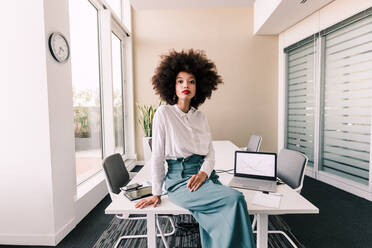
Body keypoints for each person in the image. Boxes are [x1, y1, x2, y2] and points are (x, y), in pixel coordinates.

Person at [135, 49, 255, 248]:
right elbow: (157, 157)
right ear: (171, 86)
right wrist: (156, 192)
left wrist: (203, 173)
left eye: (191, 81)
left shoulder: (200, 117)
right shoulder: (163, 114)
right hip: (179, 180)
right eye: (180, 81)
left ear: (198, 86)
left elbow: (210, 152)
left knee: (229, 206)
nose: (186, 86)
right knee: (235, 198)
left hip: (203, 176)